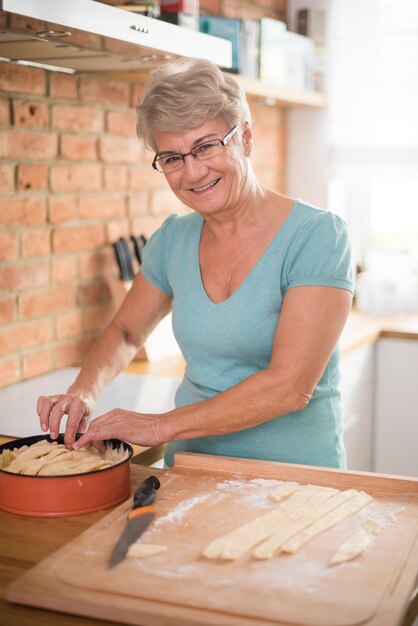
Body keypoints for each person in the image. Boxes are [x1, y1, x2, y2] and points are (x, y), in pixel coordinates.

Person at [37, 59, 354, 469]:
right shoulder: (174, 238)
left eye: (206, 146)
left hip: (297, 480)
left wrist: (159, 426)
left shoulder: (317, 235)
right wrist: (83, 390)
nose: (192, 171)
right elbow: (127, 331)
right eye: (171, 157)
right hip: (192, 471)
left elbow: (289, 386)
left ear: (246, 138)